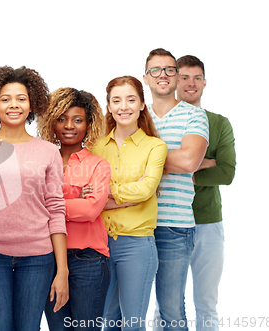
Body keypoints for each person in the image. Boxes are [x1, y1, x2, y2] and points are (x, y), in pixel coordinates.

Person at [0, 65, 68, 331]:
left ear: (32, 105)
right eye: (5, 99)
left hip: (38, 257)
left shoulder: (48, 151)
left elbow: (56, 209)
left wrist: (61, 269)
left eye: (21, 99)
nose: (13, 105)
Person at [91, 76, 167, 331]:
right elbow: (83, 194)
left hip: (136, 245)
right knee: (105, 323)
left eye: (131, 99)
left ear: (142, 104)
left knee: (132, 324)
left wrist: (106, 195)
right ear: (109, 106)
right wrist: (122, 198)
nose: (124, 106)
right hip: (99, 244)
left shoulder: (155, 147)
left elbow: (146, 189)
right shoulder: (95, 146)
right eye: (117, 100)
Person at [143, 48, 209, 331]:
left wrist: (143, 158)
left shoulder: (194, 116)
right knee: (123, 308)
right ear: (146, 78)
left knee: (171, 310)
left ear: (176, 77)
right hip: (133, 225)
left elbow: (190, 160)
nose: (163, 75)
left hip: (175, 226)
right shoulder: (134, 113)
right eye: (155, 70)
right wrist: (170, 156)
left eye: (169, 70)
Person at [37, 87, 111, 331]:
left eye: (77, 120)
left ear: (88, 124)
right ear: (52, 123)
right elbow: (29, 206)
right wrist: (76, 198)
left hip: (88, 259)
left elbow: (91, 211)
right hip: (47, 258)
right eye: (62, 119)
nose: (69, 126)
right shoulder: (42, 160)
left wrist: (50, 203)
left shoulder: (98, 165)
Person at [176, 55, 236, 331]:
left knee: (206, 304)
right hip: (169, 222)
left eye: (196, 77)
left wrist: (183, 166)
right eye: (184, 77)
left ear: (205, 82)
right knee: (169, 303)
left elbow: (226, 173)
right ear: (174, 81)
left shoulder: (219, 123)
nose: (191, 83)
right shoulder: (163, 121)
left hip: (208, 222)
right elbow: (150, 168)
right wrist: (202, 162)